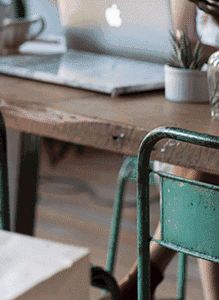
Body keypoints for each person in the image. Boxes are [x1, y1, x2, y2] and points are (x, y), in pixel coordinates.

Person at [105, 3, 219, 300]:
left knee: (205, 162)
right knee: (200, 155)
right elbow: (183, 43)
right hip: (200, 107)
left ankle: (140, 279)